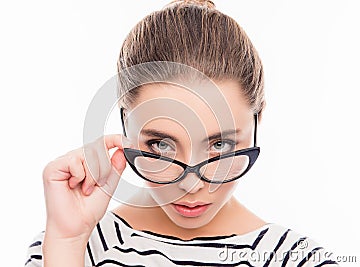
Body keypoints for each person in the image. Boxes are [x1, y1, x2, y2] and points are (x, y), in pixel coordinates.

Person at [25, 1, 338, 266]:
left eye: (221, 145)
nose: (190, 185)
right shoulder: (67, 247)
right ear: (125, 124)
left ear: (257, 121)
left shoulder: (300, 260)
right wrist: (67, 243)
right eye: (161, 145)